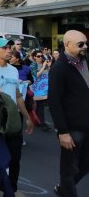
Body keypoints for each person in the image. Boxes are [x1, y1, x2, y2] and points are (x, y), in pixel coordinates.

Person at [0, 38, 34, 193]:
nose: (10, 50)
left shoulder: (13, 70)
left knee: (15, 159)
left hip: (14, 121)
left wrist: (28, 118)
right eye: (5, 47)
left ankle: (11, 190)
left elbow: (17, 97)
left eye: (10, 47)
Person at [48, 30, 89, 197]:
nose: (85, 46)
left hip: (87, 126)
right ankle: (67, 191)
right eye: (81, 44)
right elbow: (54, 102)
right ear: (67, 45)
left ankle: (64, 189)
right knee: (68, 169)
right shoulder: (59, 68)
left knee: (86, 164)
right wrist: (63, 132)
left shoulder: (85, 61)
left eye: (86, 43)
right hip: (72, 129)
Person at [30, 50, 51, 131]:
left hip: (45, 89)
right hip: (37, 89)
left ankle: (37, 121)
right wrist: (43, 67)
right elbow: (36, 75)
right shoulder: (33, 65)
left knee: (39, 107)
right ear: (34, 57)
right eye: (38, 56)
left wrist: (48, 66)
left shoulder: (44, 64)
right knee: (40, 107)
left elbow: (49, 73)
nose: (40, 58)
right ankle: (43, 124)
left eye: (41, 56)